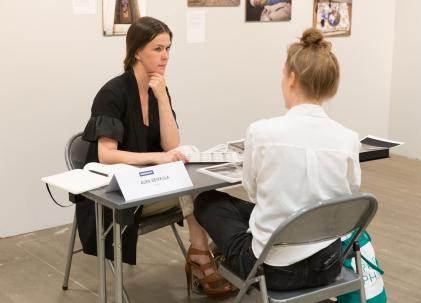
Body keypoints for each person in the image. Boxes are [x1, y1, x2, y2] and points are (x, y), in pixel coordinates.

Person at [194, 28, 361, 290]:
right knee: (265, 210)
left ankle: (206, 259)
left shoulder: (261, 132)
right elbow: (349, 195)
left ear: (291, 78)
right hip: (329, 265)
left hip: (272, 271)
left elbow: (253, 192)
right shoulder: (348, 139)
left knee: (208, 201)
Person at [78, 16, 231, 298]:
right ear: (137, 51)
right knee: (192, 186)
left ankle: (200, 251)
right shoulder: (112, 93)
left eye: (168, 48)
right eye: (157, 49)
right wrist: (157, 159)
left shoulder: (159, 86)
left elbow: (172, 143)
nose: (165, 56)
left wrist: (161, 97)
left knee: (196, 181)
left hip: (150, 183)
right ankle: (203, 256)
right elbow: (106, 155)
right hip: (112, 193)